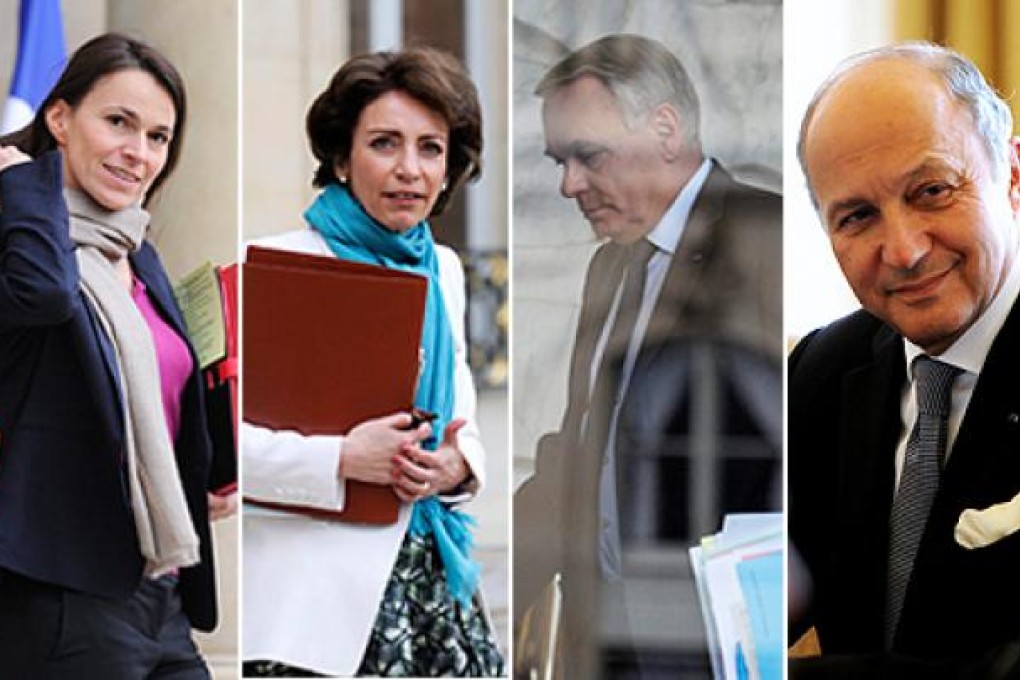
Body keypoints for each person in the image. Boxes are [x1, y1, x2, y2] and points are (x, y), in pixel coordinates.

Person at [513, 33, 782, 675]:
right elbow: (584, 444)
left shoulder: (762, 238)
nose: (569, 185)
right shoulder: (608, 269)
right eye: (559, 162)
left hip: (711, 644)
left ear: (665, 130)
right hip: (604, 643)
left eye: (588, 156)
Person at [241, 48, 505, 677]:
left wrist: (455, 468)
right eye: (385, 143)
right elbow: (216, 446)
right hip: (313, 619)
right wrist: (341, 460)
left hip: (435, 591)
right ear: (340, 158)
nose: (409, 170)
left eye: (430, 148)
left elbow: (461, 419)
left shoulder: (441, 269)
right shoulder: (271, 266)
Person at [0, 33, 237, 678]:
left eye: (159, 137)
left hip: (157, 590)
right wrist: (23, 180)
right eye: (118, 123)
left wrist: (207, 468)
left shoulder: (134, 251)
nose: (139, 153)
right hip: (61, 590)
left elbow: (159, 397)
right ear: (59, 119)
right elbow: (43, 296)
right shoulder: (24, 243)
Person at [789, 42, 1020, 678]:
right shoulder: (820, 371)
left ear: (1013, 175)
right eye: (858, 216)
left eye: (932, 191)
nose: (904, 250)